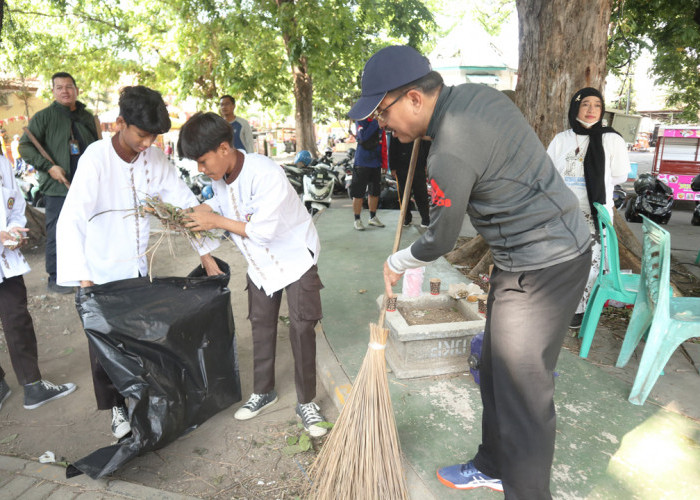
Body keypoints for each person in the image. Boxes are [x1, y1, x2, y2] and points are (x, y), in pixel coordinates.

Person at [349, 45, 592, 498]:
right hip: (526, 258)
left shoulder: (448, 152)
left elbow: (441, 239)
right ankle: (493, 465)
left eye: (382, 111)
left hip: (543, 266)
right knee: (495, 371)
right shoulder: (479, 96)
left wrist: (396, 260)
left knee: (523, 394)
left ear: (414, 100)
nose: (381, 124)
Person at [55, 86, 221, 439]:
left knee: (137, 339)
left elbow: (183, 206)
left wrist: (205, 254)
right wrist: (83, 280)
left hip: (137, 267)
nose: (147, 144)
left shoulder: (155, 159)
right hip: (98, 270)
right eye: (142, 135)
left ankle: (140, 399)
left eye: (154, 137)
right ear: (120, 123)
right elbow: (72, 219)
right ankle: (115, 409)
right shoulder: (95, 158)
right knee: (104, 345)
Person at [177, 112, 328, 438]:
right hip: (260, 265)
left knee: (302, 328)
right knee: (260, 325)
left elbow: (263, 231)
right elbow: (223, 227)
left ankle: (307, 401)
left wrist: (214, 220)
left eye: (203, 161)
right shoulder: (218, 182)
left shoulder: (265, 172)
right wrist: (197, 222)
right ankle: (264, 391)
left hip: (295, 258)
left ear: (223, 148)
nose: (201, 170)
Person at [547, 87, 630, 329]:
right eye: (585, 104)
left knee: (591, 261)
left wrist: (594, 184)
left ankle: (580, 309)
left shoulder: (611, 139)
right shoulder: (561, 139)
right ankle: (558, 304)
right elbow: (548, 173)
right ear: (575, 108)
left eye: (596, 105)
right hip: (562, 212)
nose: (591, 110)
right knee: (561, 258)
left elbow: (619, 175)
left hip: (596, 213)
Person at [0, 154, 76, 411]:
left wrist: (13, 229)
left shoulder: (1, 160)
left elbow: (15, 203)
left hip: (4, 257)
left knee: (16, 315)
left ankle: (32, 385)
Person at [18, 72, 99, 294]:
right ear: (53, 91)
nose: (65, 91)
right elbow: (25, 146)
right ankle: (56, 277)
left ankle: (92, 274)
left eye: (69, 86)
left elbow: (99, 148)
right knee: (57, 232)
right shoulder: (44, 117)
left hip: (88, 187)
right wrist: (48, 167)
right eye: (59, 87)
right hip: (58, 187)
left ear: (76, 90)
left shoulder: (88, 118)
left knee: (92, 230)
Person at [350, 117, 386, 230]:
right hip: (362, 162)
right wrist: (376, 123)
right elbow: (363, 137)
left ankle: (372, 217)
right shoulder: (360, 121)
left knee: (374, 192)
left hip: (376, 163)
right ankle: (357, 219)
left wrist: (384, 163)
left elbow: (383, 144)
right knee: (358, 193)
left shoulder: (380, 122)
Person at [389, 134, 431, 227]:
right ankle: (406, 218)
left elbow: (426, 143)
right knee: (404, 193)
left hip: (419, 164)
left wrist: (427, 162)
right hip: (402, 165)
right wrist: (393, 167)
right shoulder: (397, 126)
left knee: (421, 193)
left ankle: (425, 219)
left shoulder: (420, 125)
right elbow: (392, 147)